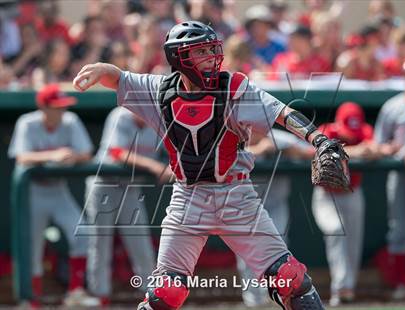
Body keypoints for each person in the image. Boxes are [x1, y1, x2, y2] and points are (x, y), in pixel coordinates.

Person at [73, 21, 349, 310]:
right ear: (179, 58)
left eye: (211, 49)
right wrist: (103, 69)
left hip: (236, 195)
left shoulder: (233, 87)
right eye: (200, 51)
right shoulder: (160, 90)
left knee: (290, 279)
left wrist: (319, 139)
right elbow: (119, 79)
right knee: (165, 294)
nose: (211, 57)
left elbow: (281, 112)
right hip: (188, 198)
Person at [8, 84, 99, 307]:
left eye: (63, 107)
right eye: (55, 107)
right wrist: (53, 154)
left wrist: (73, 157)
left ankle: (76, 292)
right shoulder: (27, 123)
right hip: (33, 192)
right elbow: (21, 158)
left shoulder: (70, 121)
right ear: (42, 106)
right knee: (32, 246)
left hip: (58, 190)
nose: (61, 111)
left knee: (82, 233)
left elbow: (86, 153)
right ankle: (31, 299)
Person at [85, 107, 172, 306]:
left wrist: (167, 166)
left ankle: (152, 295)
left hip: (130, 187)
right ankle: (100, 296)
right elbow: (117, 152)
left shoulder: (160, 121)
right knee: (100, 242)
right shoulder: (120, 116)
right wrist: (153, 167)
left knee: (140, 242)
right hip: (104, 185)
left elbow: (170, 150)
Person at [312, 102, 383, 306]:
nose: (350, 135)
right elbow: (320, 150)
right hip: (326, 195)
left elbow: (375, 148)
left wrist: (359, 150)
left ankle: (346, 290)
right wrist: (359, 150)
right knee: (335, 230)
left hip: (352, 192)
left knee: (352, 243)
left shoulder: (365, 130)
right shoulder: (327, 129)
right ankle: (340, 287)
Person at [237, 129, 313, 307]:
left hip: (275, 203)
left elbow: (309, 153)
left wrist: (286, 150)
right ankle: (254, 302)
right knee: (246, 253)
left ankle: (275, 297)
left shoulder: (279, 138)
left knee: (278, 250)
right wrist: (258, 150)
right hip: (243, 206)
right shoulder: (232, 137)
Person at [374, 56, 405, 300]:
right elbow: (379, 144)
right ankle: (402, 281)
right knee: (399, 225)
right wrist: (388, 149)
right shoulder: (393, 107)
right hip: (401, 172)